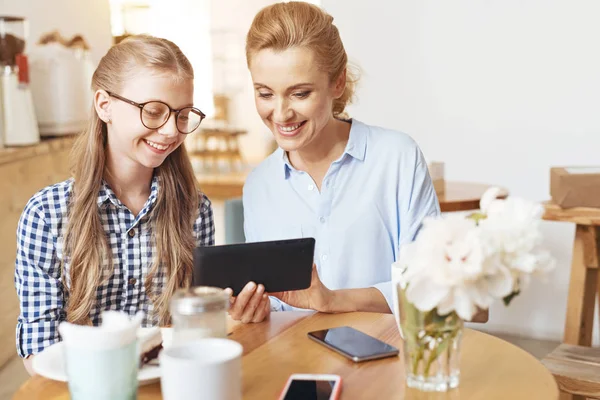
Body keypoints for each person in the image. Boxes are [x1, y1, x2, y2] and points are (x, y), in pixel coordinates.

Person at [227, 1, 440, 323]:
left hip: (387, 358)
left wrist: (332, 300)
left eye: (300, 94)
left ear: (337, 83)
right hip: (292, 362)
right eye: (265, 93)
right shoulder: (260, 184)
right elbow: (274, 305)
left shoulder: (396, 158)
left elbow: (433, 286)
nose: (281, 114)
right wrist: (253, 309)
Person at [14, 35, 214, 375]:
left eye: (182, 115)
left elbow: (199, 329)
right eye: (153, 112)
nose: (169, 131)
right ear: (104, 105)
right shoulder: (45, 215)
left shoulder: (195, 210)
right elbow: (40, 349)